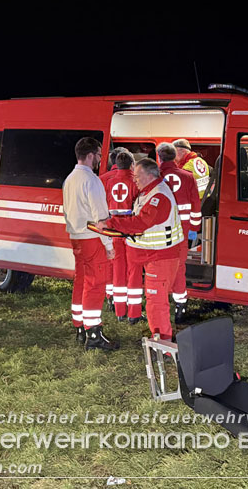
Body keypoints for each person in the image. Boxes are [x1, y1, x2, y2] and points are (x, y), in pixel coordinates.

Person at [97, 158, 184, 341]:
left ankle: (163, 345)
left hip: (159, 258)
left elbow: (141, 223)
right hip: (154, 255)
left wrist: (110, 223)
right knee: (155, 302)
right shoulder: (150, 193)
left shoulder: (158, 196)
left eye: (137, 176)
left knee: (156, 304)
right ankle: (160, 340)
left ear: (149, 175)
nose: (134, 179)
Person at [63, 137, 119, 351]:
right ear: (90, 155)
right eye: (97, 155)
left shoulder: (70, 178)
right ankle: (94, 334)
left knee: (81, 281)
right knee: (95, 285)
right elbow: (101, 218)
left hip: (76, 237)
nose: (99, 159)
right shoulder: (92, 180)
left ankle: (79, 326)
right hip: (92, 238)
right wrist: (109, 245)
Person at [157, 142, 201, 324]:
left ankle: (160, 306)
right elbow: (195, 205)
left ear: (159, 157)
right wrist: (194, 228)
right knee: (179, 268)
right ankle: (180, 307)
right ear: (174, 156)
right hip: (182, 231)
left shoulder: (155, 176)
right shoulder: (188, 176)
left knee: (158, 269)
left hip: (159, 231)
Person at [100, 150, 138, 321]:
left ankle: (118, 308)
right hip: (130, 232)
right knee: (133, 270)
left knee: (116, 268)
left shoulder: (106, 180)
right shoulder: (136, 181)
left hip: (112, 231)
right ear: (132, 165)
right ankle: (134, 311)